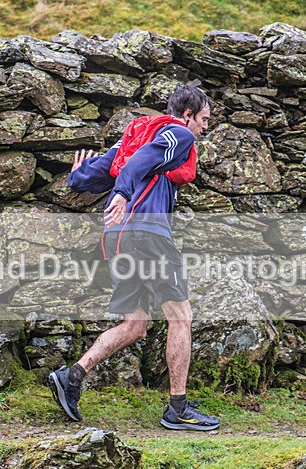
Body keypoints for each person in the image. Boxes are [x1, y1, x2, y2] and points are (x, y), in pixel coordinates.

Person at [48, 85, 221, 431]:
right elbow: (141, 164)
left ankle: (72, 376)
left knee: (135, 324)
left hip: (116, 238)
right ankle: (178, 408)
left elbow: (88, 177)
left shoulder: (136, 133)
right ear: (187, 115)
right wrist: (125, 194)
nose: (205, 128)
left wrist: (76, 173)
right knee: (181, 315)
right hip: (147, 234)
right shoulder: (177, 133)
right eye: (203, 120)